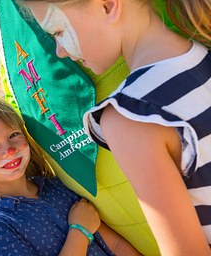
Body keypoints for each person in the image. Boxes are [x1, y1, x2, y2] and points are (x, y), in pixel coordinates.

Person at [21, 0, 211, 254]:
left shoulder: (129, 116)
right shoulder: (203, 50)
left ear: (109, 6)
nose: (59, 51)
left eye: (58, 32)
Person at [0, 92, 142, 256]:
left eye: (14, 135)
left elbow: (115, 245)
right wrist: (80, 231)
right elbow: (86, 224)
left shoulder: (55, 186)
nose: (9, 151)